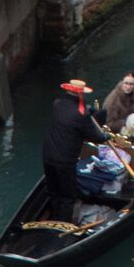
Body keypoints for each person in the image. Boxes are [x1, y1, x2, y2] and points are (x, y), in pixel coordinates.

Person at [42, 78, 99, 207]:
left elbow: (70, 114)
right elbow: (94, 136)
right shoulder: (81, 115)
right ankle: (63, 223)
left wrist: (86, 111)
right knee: (68, 196)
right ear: (81, 94)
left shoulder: (57, 104)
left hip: (48, 157)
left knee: (53, 192)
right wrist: (106, 136)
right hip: (65, 161)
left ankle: (54, 218)